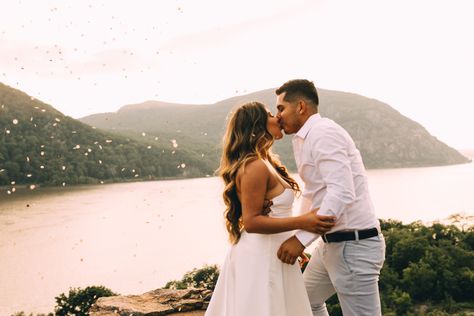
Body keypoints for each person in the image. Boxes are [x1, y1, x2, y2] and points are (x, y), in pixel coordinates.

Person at [205, 101, 336, 316]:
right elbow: (252, 221)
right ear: (257, 124)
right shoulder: (254, 166)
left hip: (275, 251)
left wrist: (295, 239)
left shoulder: (265, 161)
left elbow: (273, 213)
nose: (278, 117)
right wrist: (303, 223)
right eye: (269, 114)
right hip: (260, 256)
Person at [275, 79, 386, 316]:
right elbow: (314, 193)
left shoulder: (324, 132)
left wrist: (301, 240)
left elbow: (342, 191)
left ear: (301, 107)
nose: (278, 116)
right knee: (304, 303)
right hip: (330, 245)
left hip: (353, 245)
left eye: (281, 108)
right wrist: (300, 236)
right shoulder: (306, 137)